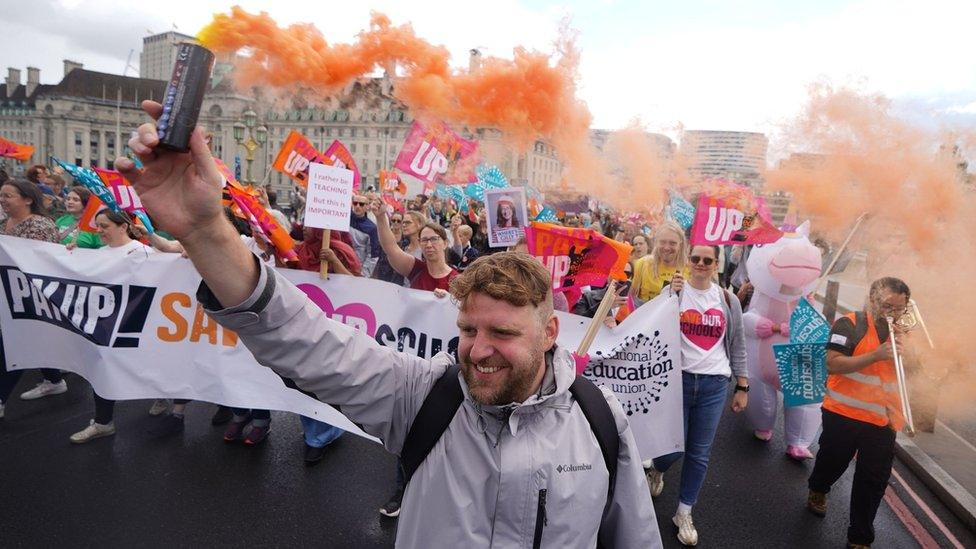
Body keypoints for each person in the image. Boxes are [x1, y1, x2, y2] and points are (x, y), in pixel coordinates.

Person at [117, 108, 665, 546]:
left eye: (503, 334)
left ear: (549, 335)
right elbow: (301, 338)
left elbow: (634, 536)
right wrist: (206, 229)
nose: (478, 351)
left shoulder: (598, 418)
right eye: (470, 329)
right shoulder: (423, 396)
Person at [644, 244, 748, 547]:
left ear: (716, 264)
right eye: (696, 259)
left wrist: (743, 385)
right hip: (678, 381)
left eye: (707, 260)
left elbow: (738, 344)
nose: (701, 264)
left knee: (699, 453)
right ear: (688, 261)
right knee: (673, 448)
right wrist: (669, 296)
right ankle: (658, 469)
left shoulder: (728, 300)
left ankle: (684, 512)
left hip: (715, 383)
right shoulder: (674, 293)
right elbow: (651, 328)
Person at [807, 277, 915, 549]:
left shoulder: (905, 334)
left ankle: (860, 536)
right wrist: (876, 355)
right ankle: (819, 487)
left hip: (883, 421)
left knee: (873, 480)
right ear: (873, 300)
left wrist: (914, 357)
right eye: (888, 306)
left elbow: (913, 377)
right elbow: (833, 364)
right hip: (843, 413)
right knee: (832, 461)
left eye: (900, 308)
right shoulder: (849, 324)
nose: (894, 314)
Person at [68, 209, 162, 442]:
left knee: (144, 365)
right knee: (103, 368)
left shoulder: (142, 252)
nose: (99, 231)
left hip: (136, 324)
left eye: (104, 226)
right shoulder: (99, 252)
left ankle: (162, 392)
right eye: (97, 225)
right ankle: (103, 422)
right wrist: (69, 256)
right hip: (106, 325)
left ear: (123, 227)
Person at [0, 179, 68, 416]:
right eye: (2, 195)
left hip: (31, 295)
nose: (3, 199)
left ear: (28, 199)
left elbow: (41, 264)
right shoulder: (3, 221)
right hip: (6, 292)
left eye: (8, 195)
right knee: (31, 341)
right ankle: (54, 380)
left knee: (14, 342)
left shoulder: (40, 225)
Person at [631, 221, 690, 306]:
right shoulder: (643, 264)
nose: (666, 248)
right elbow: (630, 300)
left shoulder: (690, 269)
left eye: (672, 243)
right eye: (662, 242)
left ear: (680, 245)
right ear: (656, 242)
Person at [349, 194, 381, 277]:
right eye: (355, 203)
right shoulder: (344, 218)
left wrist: (364, 274)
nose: (358, 206)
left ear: (367, 207)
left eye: (361, 204)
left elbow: (373, 255)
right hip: (339, 263)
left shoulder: (372, 228)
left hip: (357, 269)